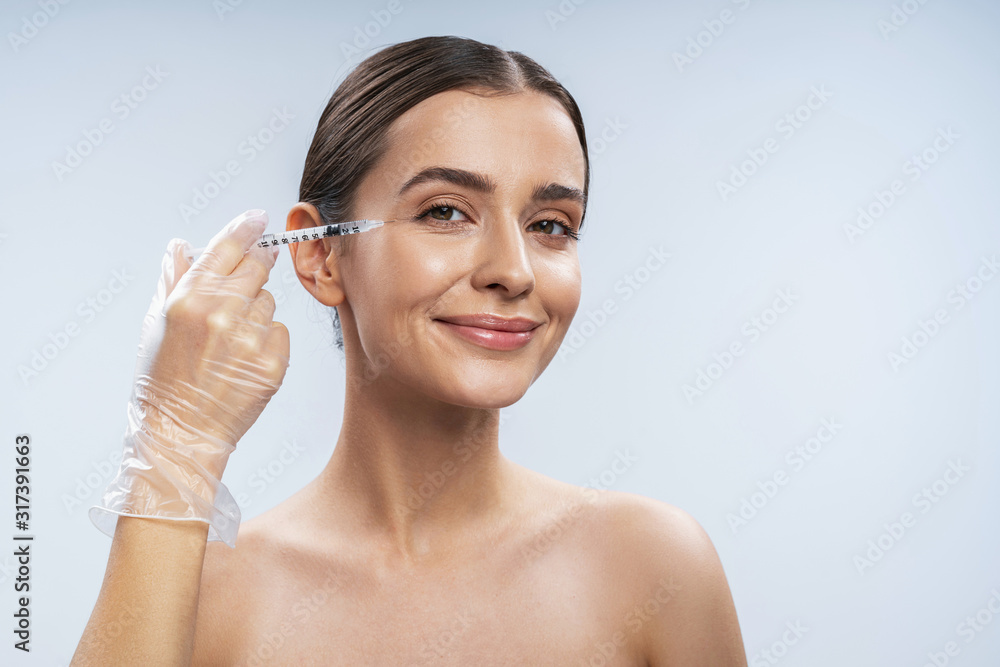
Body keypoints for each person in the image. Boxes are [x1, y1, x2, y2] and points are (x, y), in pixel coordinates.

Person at [72, 35, 747, 666]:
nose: (514, 271)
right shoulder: (200, 600)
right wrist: (175, 450)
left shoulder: (653, 569)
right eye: (446, 212)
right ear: (321, 253)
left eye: (550, 225)